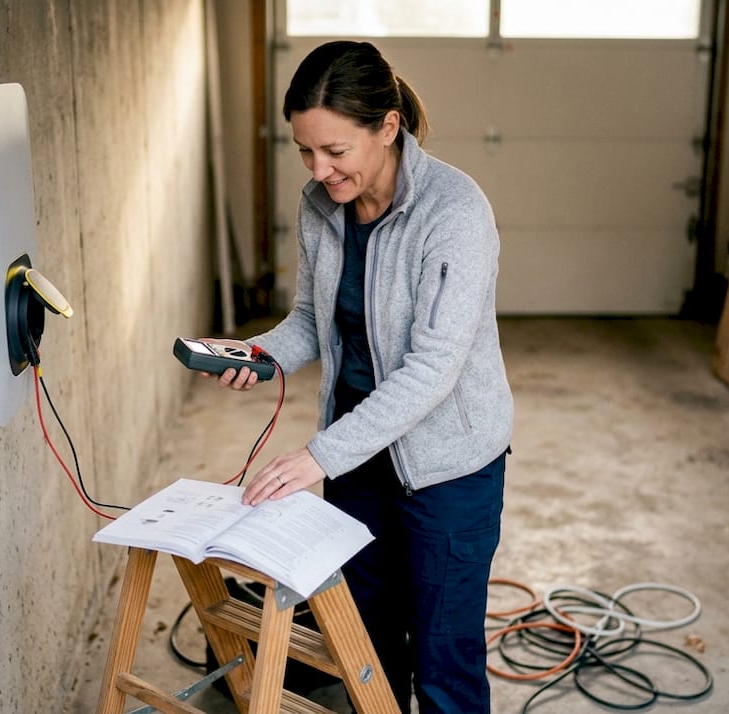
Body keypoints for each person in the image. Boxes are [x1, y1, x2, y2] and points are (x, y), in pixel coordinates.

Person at [202, 39, 513, 713]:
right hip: (359, 462)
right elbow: (313, 321)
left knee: (444, 662)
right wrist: (258, 357)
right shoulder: (321, 208)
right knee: (367, 650)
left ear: (388, 128)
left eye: (336, 151)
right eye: (305, 151)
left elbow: (433, 368)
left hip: (447, 471)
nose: (319, 169)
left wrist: (317, 456)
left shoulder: (455, 213)